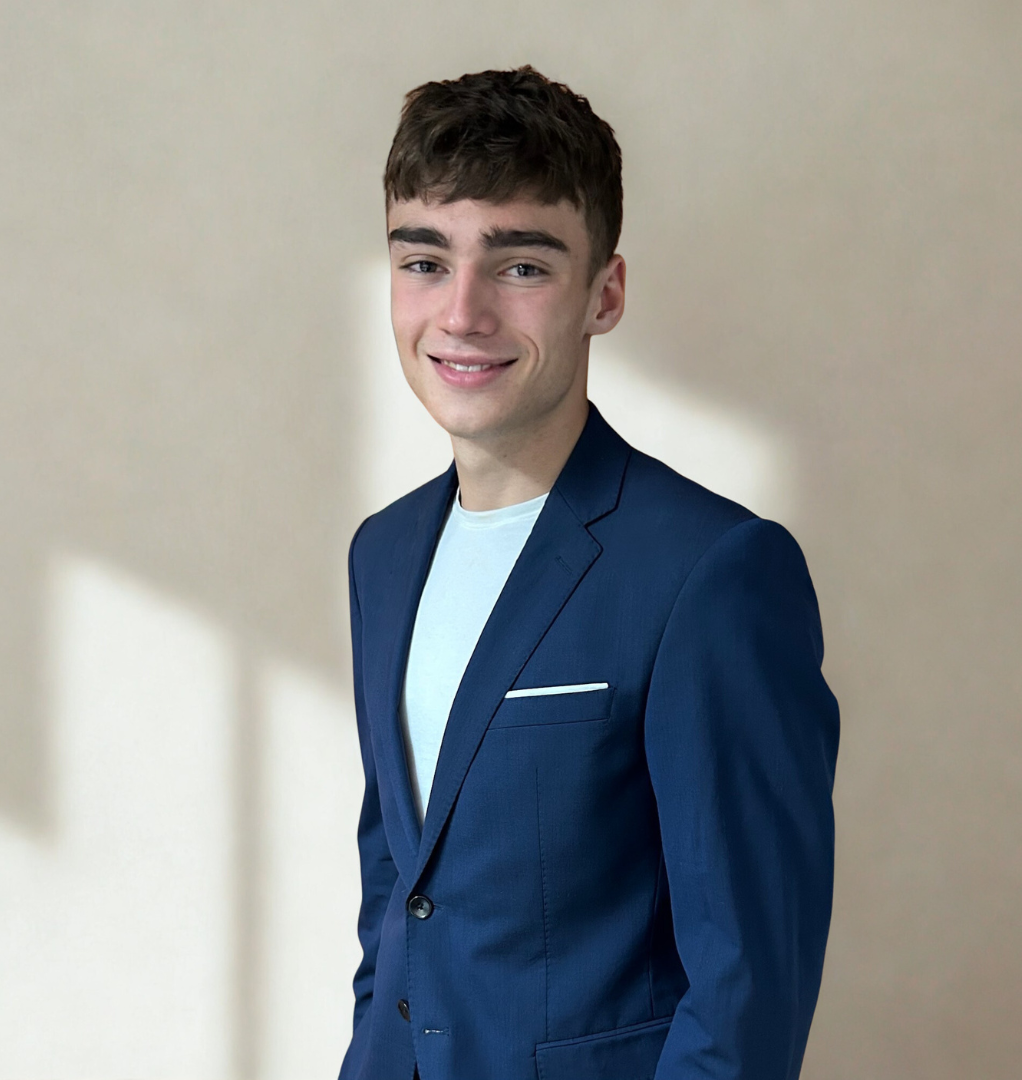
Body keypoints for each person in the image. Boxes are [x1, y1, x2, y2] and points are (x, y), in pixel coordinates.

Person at [339, 66, 839, 1080]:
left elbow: (748, 987)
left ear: (603, 295)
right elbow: (401, 895)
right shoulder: (381, 555)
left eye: (521, 265)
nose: (463, 313)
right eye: (425, 261)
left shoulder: (712, 573)